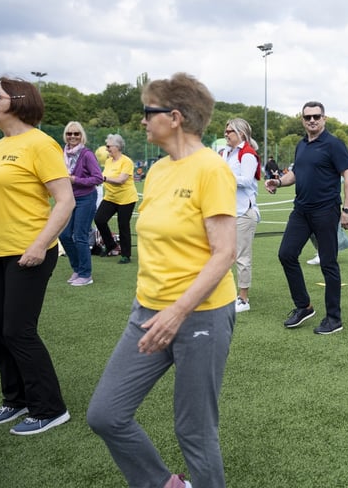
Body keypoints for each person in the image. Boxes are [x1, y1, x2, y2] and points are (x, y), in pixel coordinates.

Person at [87, 73, 237, 488]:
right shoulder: (155, 172)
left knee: (195, 431)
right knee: (106, 414)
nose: (142, 122)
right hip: (149, 312)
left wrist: (178, 311)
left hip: (200, 315)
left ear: (174, 117)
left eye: (147, 113)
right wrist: (157, 307)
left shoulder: (211, 169)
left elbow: (224, 252)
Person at [0, 77, 74, 435]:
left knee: (18, 330)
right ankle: (16, 399)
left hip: (29, 251)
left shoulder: (40, 145)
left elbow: (65, 201)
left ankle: (50, 408)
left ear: (17, 102)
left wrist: (39, 244)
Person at [265, 101, 348, 335]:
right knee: (286, 254)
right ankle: (304, 306)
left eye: (317, 116)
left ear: (324, 118)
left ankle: (334, 319)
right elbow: (296, 173)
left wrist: (346, 211)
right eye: (308, 117)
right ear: (303, 120)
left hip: (326, 211)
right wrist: (278, 182)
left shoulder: (334, 145)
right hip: (301, 211)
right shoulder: (301, 145)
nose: (312, 120)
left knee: (328, 263)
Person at [221, 117, 261, 313]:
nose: (226, 134)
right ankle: (226, 292)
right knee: (224, 254)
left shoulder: (247, 155)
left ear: (241, 134)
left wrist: (222, 176)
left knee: (242, 257)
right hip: (226, 212)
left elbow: (246, 180)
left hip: (244, 211)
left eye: (229, 131)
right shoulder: (225, 153)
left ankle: (243, 299)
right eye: (226, 131)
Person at [58, 121, 103, 287]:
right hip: (69, 198)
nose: (72, 137)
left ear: (81, 135)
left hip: (86, 198)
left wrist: (75, 180)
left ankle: (86, 274)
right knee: (64, 235)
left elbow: (98, 178)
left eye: (76, 133)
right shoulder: (62, 153)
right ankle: (77, 269)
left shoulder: (86, 154)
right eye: (69, 133)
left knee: (80, 236)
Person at [94, 133, 138, 264]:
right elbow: (102, 176)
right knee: (99, 219)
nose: (106, 149)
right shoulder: (108, 161)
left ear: (117, 147)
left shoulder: (127, 162)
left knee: (123, 225)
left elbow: (121, 180)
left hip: (126, 199)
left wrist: (105, 178)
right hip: (111, 197)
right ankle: (111, 245)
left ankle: (126, 255)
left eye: (108, 146)